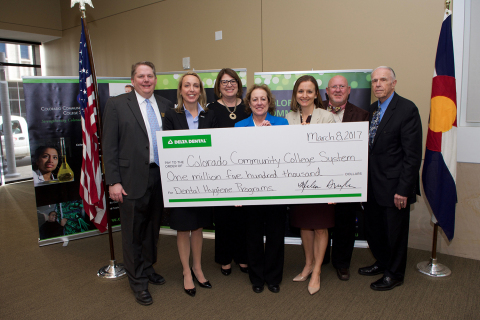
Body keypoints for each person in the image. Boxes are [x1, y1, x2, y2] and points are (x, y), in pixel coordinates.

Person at [102, 61, 174, 306]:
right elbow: (109, 146)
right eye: (141, 76)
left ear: (156, 79)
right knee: (133, 233)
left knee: (152, 230)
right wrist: (113, 181)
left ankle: (148, 267)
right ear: (132, 80)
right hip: (130, 179)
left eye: (150, 76)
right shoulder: (117, 105)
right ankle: (138, 282)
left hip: (159, 178)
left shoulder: (165, 105)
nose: (146, 80)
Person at [359, 66, 422, 291]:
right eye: (374, 80)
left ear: (393, 83)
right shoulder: (372, 110)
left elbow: (412, 155)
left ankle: (394, 274)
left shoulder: (407, 109)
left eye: (383, 80)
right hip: (372, 186)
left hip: (395, 188)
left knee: (395, 234)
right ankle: (383, 263)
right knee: (374, 230)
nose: (377, 84)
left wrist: (404, 189)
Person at [163, 72, 218, 297]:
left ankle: (198, 267)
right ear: (181, 90)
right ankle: (186, 271)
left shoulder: (209, 115)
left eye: (196, 85)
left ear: (201, 90)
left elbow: (216, 146)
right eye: (187, 85)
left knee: (198, 227)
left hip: (203, 182)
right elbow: (167, 148)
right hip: (180, 182)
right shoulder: (171, 116)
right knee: (183, 227)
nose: (192, 89)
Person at [235, 84, 288, 294]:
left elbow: (287, 155)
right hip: (251, 190)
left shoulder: (281, 124)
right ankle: (256, 277)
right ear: (249, 103)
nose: (259, 103)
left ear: (269, 102)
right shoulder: (240, 126)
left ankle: (273, 277)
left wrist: (271, 136)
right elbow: (237, 158)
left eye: (263, 99)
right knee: (253, 236)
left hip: (276, 189)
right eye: (255, 99)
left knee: (276, 235)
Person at [285, 75, 335, 295]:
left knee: (321, 226)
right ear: (295, 94)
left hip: (322, 180)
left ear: (316, 94)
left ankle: (317, 273)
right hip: (298, 182)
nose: (304, 95)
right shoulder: (288, 118)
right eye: (300, 91)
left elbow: (335, 153)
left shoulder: (327, 118)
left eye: (309, 91)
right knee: (304, 224)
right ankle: (308, 265)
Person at [321, 75, 369, 281]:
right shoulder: (315, 111)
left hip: (348, 178)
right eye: (334, 87)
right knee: (320, 221)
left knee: (345, 222)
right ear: (327, 91)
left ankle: (341, 263)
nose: (338, 90)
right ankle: (319, 259)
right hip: (319, 177)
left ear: (349, 90)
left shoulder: (362, 115)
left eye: (342, 87)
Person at [207, 68, 249, 276]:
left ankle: (242, 257)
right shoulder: (211, 109)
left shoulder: (248, 107)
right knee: (224, 216)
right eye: (224, 82)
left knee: (243, 217)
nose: (229, 85)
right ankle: (224, 258)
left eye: (232, 81)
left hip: (246, 169)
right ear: (218, 86)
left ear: (238, 84)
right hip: (221, 170)